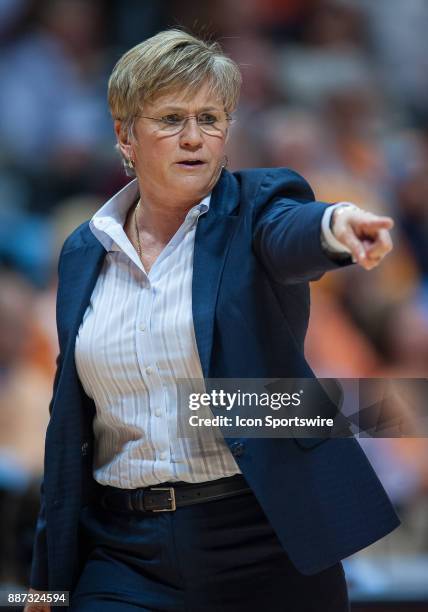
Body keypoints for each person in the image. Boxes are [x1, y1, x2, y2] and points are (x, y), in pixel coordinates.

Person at [25, 29, 399, 612]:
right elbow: (69, 429)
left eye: (211, 117)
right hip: (123, 552)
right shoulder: (82, 250)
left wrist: (337, 228)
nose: (194, 138)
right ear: (125, 134)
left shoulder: (257, 209)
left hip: (263, 543)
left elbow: (293, 230)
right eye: (172, 118)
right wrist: (44, 584)